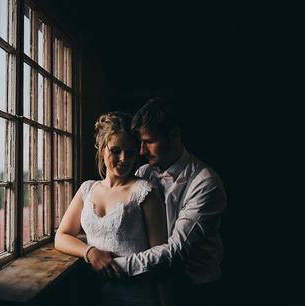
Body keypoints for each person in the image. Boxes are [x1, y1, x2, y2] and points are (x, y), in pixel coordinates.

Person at [113, 98, 227, 306]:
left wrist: (115, 267)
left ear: (175, 134)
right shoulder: (143, 173)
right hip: (153, 286)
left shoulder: (206, 183)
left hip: (197, 291)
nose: (141, 152)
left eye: (149, 141)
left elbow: (176, 251)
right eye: (140, 142)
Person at [55, 111, 169, 306]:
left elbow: (161, 259)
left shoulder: (145, 192)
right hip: (94, 296)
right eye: (116, 150)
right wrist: (90, 252)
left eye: (131, 153)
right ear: (101, 148)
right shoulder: (87, 189)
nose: (124, 159)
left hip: (136, 296)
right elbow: (61, 236)